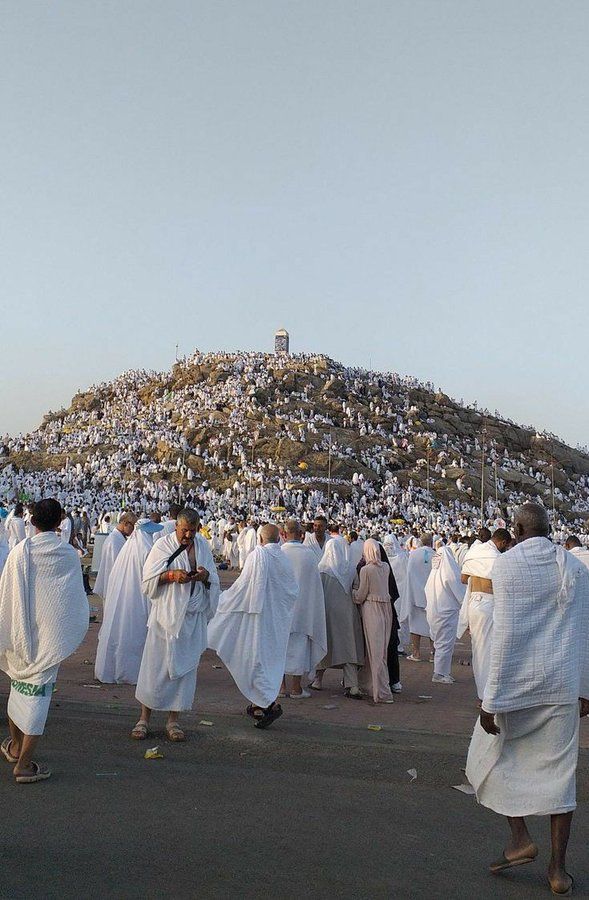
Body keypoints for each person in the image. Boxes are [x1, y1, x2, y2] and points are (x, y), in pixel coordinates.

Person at [466, 503, 589, 896]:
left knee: (488, 755)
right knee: (560, 776)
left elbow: (505, 638)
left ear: (517, 528)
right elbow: (585, 630)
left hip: (516, 688)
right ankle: (557, 869)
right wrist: (586, 689)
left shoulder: (507, 566)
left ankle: (519, 835)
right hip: (561, 688)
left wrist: (490, 699)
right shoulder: (574, 568)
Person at [0, 499, 89, 783]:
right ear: (60, 520)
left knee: (18, 693)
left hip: (20, 636)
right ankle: (23, 764)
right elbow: (71, 600)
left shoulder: (18, 553)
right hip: (48, 641)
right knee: (37, 700)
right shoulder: (67, 554)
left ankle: (15, 748)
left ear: (32, 521)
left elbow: (7, 597)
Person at [132, 508, 219, 742]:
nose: (188, 536)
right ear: (176, 527)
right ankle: (144, 719)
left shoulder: (202, 547)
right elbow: (147, 580)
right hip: (166, 617)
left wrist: (204, 576)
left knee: (184, 672)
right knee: (154, 668)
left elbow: (213, 578)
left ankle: (173, 720)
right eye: (184, 531)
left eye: (193, 531)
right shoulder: (162, 545)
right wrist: (171, 577)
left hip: (191, 616)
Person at [208, 524, 298, 728]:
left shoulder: (259, 555)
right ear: (279, 538)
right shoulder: (284, 559)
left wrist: (223, 600)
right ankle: (258, 704)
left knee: (253, 658)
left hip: (257, 618)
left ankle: (267, 704)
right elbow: (292, 590)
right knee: (268, 660)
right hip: (276, 621)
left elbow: (246, 586)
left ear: (260, 539)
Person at [94, 519, 163, 684]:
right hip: (138, 599)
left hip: (122, 598)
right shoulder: (146, 550)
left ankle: (113, 669)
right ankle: (131, 672)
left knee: (118, 631)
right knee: (135, 632)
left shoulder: (127, 549)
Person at [458, 528, 511, 699]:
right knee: (489, 651)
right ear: (502, 543)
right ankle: (486, 696)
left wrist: (478, 574)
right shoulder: (497, 558)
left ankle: (484, 694)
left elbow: (464, 579)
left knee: (479, 649)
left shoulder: (475, 552)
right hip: (488, 605)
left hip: (474, 603)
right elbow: (502, 583)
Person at [310, 538, 364, 698]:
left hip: (326, 614)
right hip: (347, 615)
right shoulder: (351, 569)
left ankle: (317, 681)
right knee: (349, 648)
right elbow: (357, 589)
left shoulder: (321, 569)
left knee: (325, 646)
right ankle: (352, 685)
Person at [280, 519, 327, 698]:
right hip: (302, 612)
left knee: (279, 650)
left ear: (284, 535)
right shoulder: (308, 555)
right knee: (298, 650)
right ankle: (296, 688)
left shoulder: (278, 553)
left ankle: (281, 687)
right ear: (301, 535)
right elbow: (315, 587)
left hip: (281, 612)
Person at [353, 539, 394, 703]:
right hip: (386, 608)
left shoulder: (366, 570)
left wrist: (352, 593)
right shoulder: (386, 567)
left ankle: (382, 692)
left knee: (375, 652)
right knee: (380, 649)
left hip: (372, 609)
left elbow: (361, 595)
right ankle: (370, 685)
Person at [425, 545, 466, 684]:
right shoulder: (449, 572)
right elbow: (458, 588)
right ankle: (440, 673)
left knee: (440, 643)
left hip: (434, 612)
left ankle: (443, 671)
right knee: (445, 643)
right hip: (446, 612)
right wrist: (464, 602)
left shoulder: (433, 574)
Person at [403, 534, 434, 662]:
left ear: (420, 542)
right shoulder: (436, 555)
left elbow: (409, 573)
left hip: (416, 594)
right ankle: (433, 654)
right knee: (432, 625)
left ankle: (416, 653)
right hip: (432, 595)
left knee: (415, 625)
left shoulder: (414, 554)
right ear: (431, 542)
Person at [93, 513, 137, 600]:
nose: (133, 531)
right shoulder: (114, 540)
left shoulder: (118, 538)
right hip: (114, 587)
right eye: (133, 527)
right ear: (126, 524)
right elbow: (116, 568)